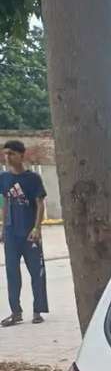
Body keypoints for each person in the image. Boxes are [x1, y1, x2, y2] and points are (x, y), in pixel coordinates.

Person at [0, 139, 49, 326]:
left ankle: (38, 311)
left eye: (11, 153)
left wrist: (37, 228)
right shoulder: (3, 178)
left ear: (22, 155)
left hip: (30, 234)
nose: (8, 157)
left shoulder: (33, 179)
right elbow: (4, 202)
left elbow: (39, 204)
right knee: (12, 274)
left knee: (37, 273)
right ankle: (16, 312)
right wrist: (3, 227)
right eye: (6, 154)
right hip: (11, 234)